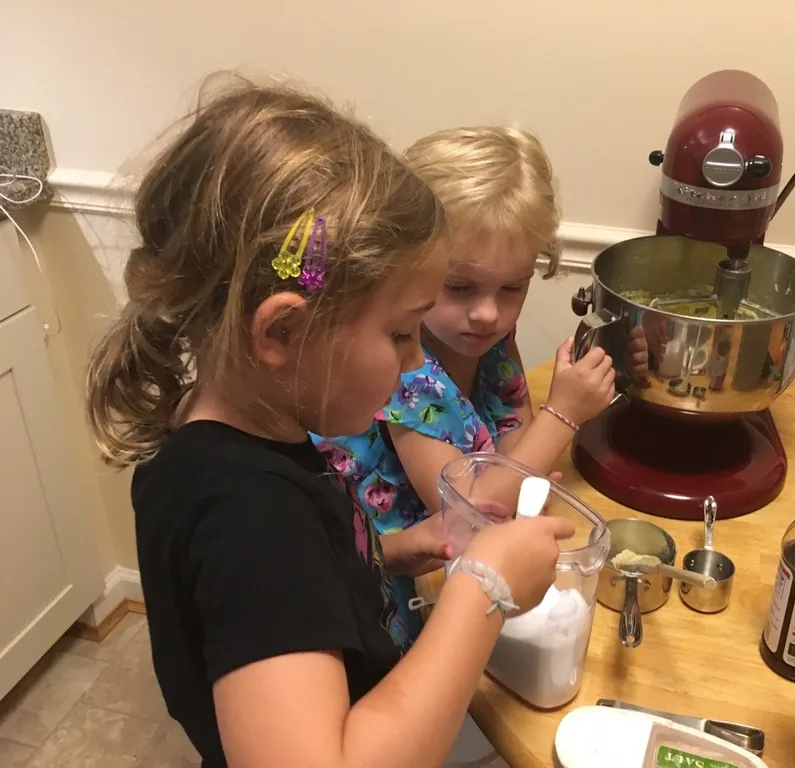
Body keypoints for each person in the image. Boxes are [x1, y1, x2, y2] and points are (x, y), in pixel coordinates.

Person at [84, 80, 573, 768]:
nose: (412, 366)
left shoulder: (233, 436)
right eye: (402, 333)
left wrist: (400, 549)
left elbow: (297, 582)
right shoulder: (250, 516)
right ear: (283, 331)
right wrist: (481, 590)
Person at [315, 126, 615, 637]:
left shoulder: (491, 336)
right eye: (458, 287)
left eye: (512, 288)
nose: (487, 313)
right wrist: (563, 416)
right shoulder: (399, 366)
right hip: (384, 590)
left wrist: (534, 452)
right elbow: (470, 510)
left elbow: (511, 433)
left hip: (456, 569)